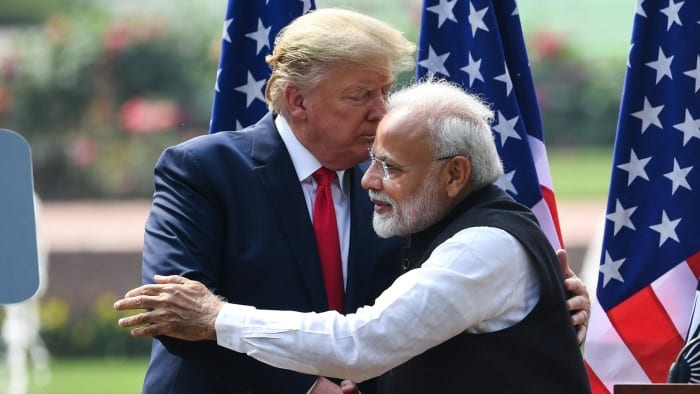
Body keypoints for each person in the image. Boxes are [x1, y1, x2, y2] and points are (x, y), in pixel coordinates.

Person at [134, 8, 590, 394]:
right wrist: (308, 386)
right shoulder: (202, 170)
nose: (382, 111)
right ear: (298, 101)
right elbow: (175, 312)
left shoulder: (408, 179)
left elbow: (406, 310)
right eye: (361, 95)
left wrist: (543, 299)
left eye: (386, 91)